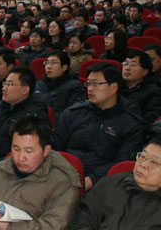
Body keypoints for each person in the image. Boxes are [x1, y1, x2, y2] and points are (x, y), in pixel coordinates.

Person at [53, 63, 145, 191]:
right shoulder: (73, 113)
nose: (90, 89)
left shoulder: (131, 123)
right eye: (88, 84)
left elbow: (122, 163)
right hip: (62, 174)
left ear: (113, 87)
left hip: (102, 185)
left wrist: (91, 180)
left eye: (96, 84)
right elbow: (55, 147)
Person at [0, 67, 47, 164]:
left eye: (10, 84)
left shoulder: (35, 116)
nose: (4, 88)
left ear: (25, 90)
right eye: (5, 84)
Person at [34, 50, 85, 120]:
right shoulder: (38, 85)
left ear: (64, 67)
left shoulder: (75, 86)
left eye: (53, 63)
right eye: (47, 63)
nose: (48, 67)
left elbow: (74, 114)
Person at [119, 49, 161, 124]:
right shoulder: (115, 87)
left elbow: (151, 118)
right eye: (125, 64)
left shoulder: (155, 92)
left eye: (133, 65)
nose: (127, 68)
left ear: (145, 72)